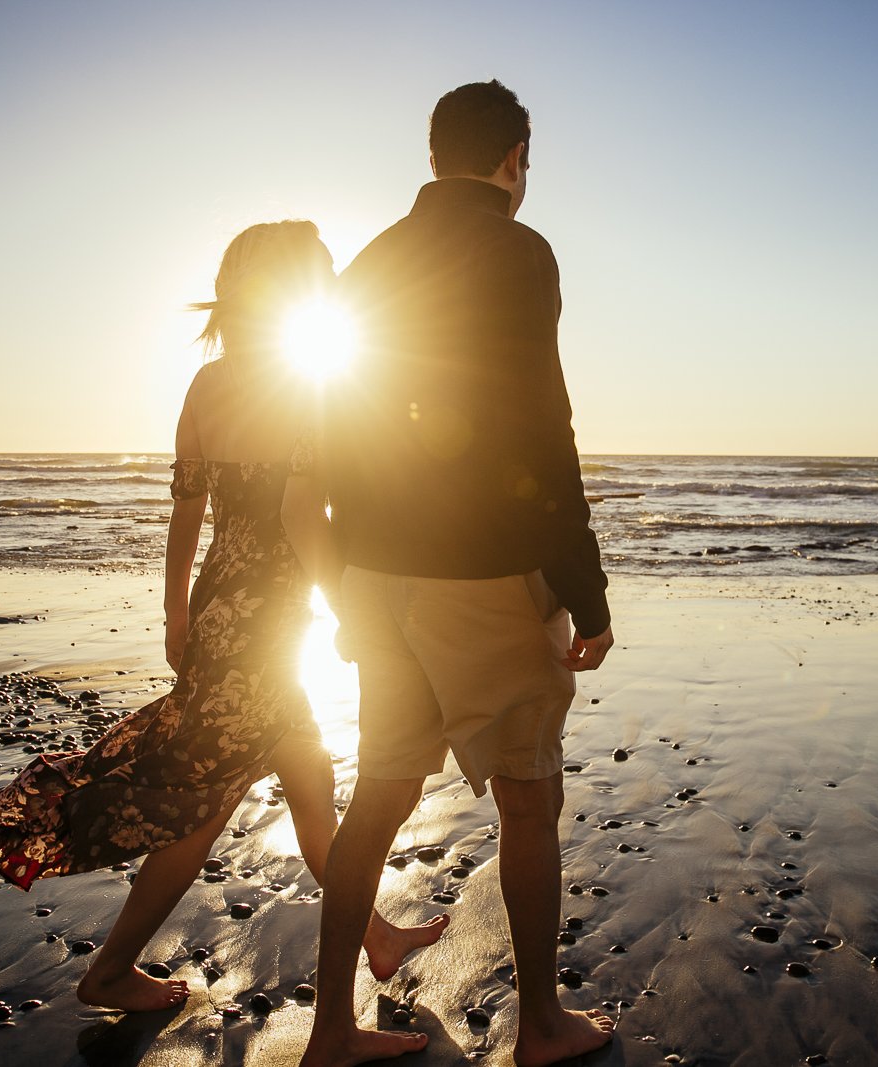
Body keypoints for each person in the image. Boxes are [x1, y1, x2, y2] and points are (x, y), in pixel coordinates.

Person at [0, 220, 445, 1014]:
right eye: (322, 271)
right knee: (206, 805)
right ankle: (109, 969)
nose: (332, 283)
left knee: (309, 780)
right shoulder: (306, 382)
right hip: (265, 620)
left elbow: (187, 511)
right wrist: (352, 609)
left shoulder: (207, 385)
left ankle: (374, 934)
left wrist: (175, 612)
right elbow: (303, 514)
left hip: (219, 607)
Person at [282, 80, 615, 1067]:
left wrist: (343, 578)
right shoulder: (517, 249)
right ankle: (543, 1025)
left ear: (434, 157)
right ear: (514, 157)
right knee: (525, 795)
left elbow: (336, 420)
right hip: (484, 573)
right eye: (526, 160)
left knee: (379, 790)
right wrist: (586, 586)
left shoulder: (371, 261)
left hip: (379, 569)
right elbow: (538, 423)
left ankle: (334, 1030)